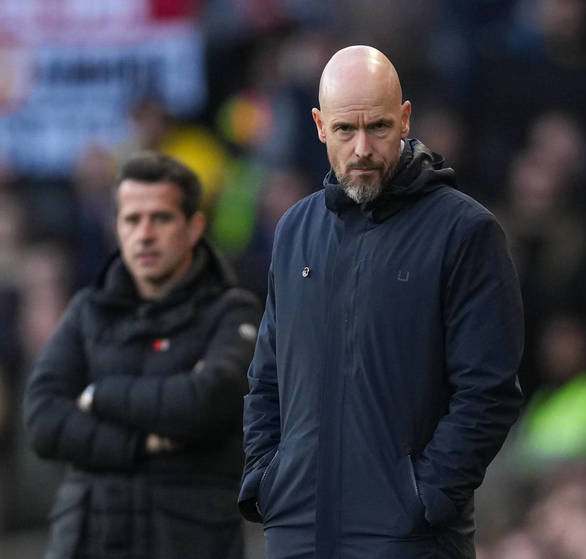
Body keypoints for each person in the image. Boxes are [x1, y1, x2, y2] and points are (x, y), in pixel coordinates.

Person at [239, 45, 524, 558]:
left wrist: (422, 499)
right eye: (345, 130)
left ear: (406, 119)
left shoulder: (465, 231)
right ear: (320, 126)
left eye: (378, 127)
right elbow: (267, 377)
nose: (362, 148)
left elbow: (488, 391)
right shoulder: (295, 230)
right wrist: (269, 479)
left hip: (409, 540)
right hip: (297, 532)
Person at [24, 151, 262, 559]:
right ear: (116, 227)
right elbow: (43, 421)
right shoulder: (86, 311)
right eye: (132, 220)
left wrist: (97, 394)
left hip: (188, 541)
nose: (145, 234)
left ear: (194, 227)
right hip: (85, 541)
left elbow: (204, 401)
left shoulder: (232, 312)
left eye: (161, 218)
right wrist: (143, 442)